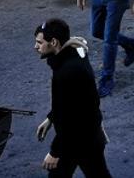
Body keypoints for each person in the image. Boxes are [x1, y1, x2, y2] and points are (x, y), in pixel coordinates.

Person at [33, 18, 110, 177]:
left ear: (53, 42)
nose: (36, 47)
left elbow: (72, 116)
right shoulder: (73, 53)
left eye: (39, 42)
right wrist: (51, 118)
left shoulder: (68, 71)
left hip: (78, 140)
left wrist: (55, 152)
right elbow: (69, 103)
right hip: (89, 136)